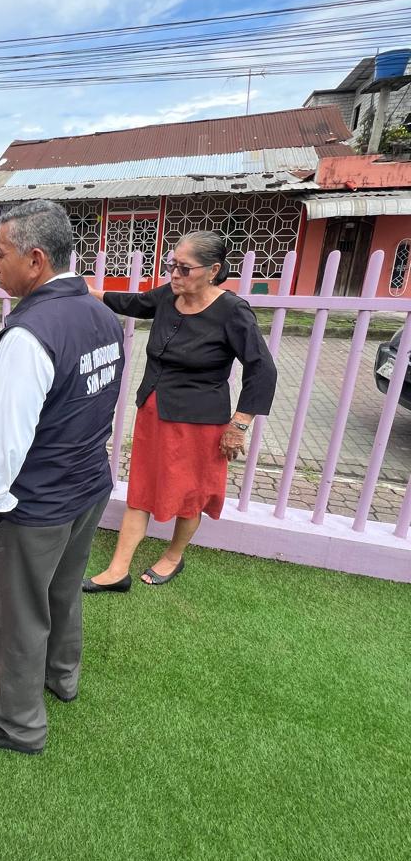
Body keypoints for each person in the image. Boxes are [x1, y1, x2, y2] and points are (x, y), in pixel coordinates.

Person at [0, 199, 125, 755]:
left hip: (36, 502)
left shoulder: (29, 335)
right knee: (62, 590)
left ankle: (17, 724)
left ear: (35, 259)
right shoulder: (101, 314)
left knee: (16, 613)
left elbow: (7, 440)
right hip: (87, 487)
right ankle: (61, 676)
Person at [85, 230, 277, 591]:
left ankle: (173, 556)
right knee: (141, 488)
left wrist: (239, 424)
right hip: (154, 411)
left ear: (213, 270)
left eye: (184, 268)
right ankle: (118, 570)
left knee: (190, 495)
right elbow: (134, 303)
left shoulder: (232, 311)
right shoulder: (169, 295)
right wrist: (89, 292)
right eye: (172, 265)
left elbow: (262, 369)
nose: (174, 274)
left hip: (200, 423)